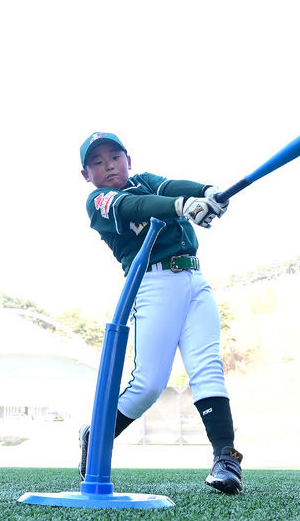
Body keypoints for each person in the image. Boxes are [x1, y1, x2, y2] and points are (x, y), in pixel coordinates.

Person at [77, 132, 243, 494]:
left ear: (128, 159)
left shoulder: (146, 180)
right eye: (97, 162)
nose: (108, 165)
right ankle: (98, 432)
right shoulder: (99, 201)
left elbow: (168, 186)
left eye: (115, 156)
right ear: (86, 174)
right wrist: (183, 205)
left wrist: (207, 190)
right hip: (152, 284)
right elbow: (139, 207)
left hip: (195, 280)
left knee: (207, 367)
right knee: (149, 384)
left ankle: (225, 458)